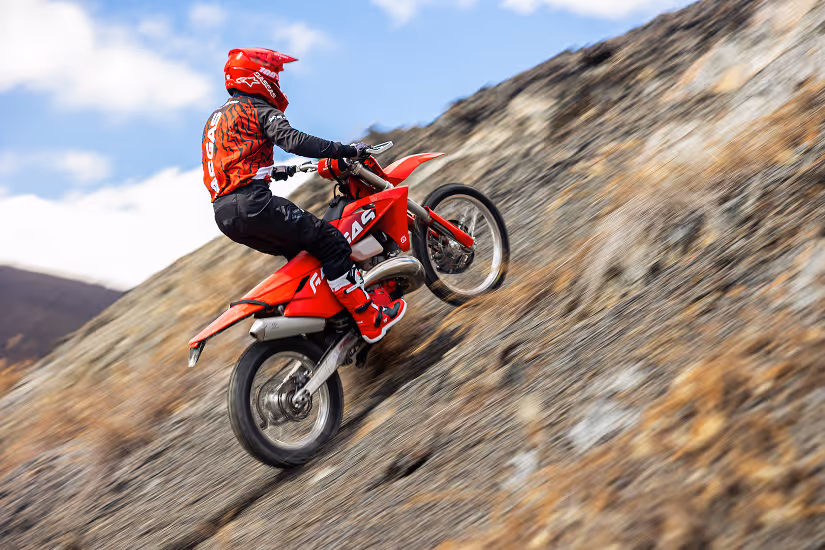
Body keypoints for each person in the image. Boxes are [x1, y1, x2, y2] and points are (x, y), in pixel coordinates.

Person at [202, 47, 405, 344]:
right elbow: (294, 141)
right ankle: (368, 318)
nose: (278, 82)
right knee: (333, 244)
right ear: (259, 75)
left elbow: (233, 161)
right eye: (274, 74)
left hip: (225, 214)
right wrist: (347, 149)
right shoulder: (258, 109)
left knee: (304, 258)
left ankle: (326, 325)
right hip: (254, 205)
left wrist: (274, 171)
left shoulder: (217, 118)